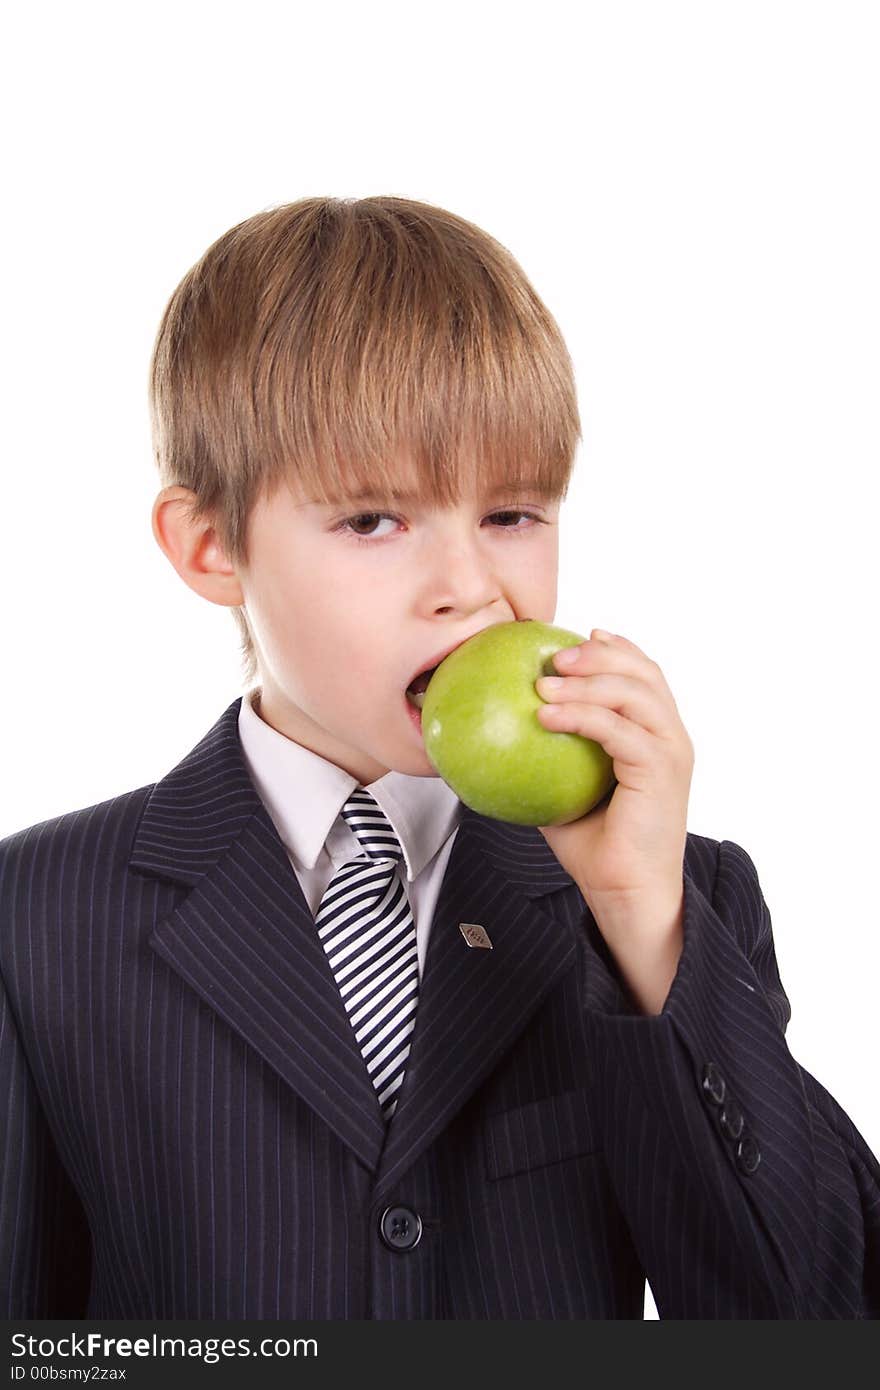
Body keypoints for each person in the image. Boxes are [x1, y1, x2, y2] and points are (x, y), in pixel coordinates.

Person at [1, 196, 877, 1320]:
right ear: (211, 546)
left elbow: (823, 1315)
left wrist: (640, 919)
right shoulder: (38, 915)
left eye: (513, 513)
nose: (471, 587)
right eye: (374, 521)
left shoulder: (673, 897)